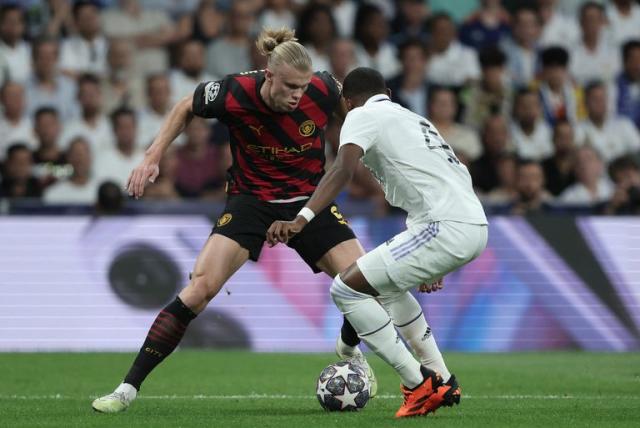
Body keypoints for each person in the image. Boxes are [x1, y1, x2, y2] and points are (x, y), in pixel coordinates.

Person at [91, 28, 441, 413]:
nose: (298, 95)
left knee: (367, 282)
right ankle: (126, 390)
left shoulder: (325, 89)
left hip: (310, 202)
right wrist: (152, 156)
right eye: (290, 86)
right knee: (200, 289)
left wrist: (418, 227)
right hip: (250, 202)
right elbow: (185, 106)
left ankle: (350, 348)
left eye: (303, 87)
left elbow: (366, 128)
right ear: (268, 76)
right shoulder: (234, 92)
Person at [266, 67, 488, 418]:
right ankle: (443, 379)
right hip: (469, 223)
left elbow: (342, 170)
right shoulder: (414, 119)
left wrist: (301, 219)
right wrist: (442, 254)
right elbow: (456, 172)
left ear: (348, 100)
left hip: (445, 225)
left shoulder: (361, 115)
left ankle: (418, 384)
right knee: (386, 288)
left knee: (345, 289)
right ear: (386, 90)